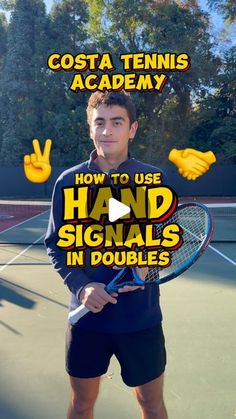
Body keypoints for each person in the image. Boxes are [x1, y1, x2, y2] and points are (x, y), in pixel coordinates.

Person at [45, 90, 168, 419]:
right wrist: (82, 286)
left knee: (151, 404)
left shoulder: (153, 181)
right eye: (100, 122)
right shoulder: (68, 182)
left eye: (117, 122)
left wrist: (146, 272)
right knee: (82, 404)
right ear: (90, 128)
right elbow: (56, 244)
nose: (107, 130)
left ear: (132, 129)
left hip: (140, 321)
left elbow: (165, 244)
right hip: (87, 324)